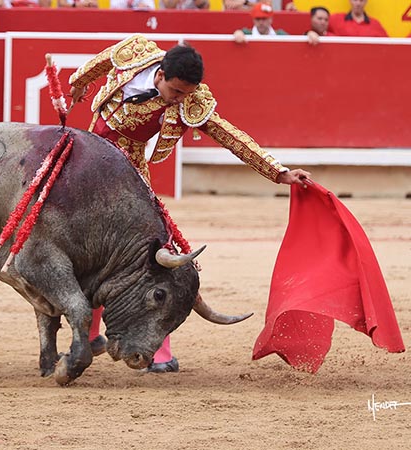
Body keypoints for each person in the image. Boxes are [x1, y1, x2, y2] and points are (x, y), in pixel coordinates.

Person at [68, 34, 311, 373]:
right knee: (82, 249)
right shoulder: (135, 51)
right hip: (87, 159)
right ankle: (91, 336)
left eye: (186, 93)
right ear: (160, 74)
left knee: (155, 257)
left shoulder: (190, 102)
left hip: (129, 175)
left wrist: (278, 172)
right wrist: (79, 83)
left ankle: (160, 350)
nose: (180, 99)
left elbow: (230, 135)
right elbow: (100, 62)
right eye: (176, 91)